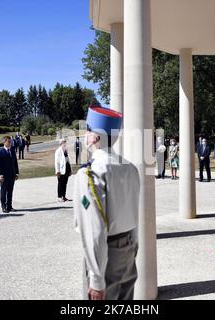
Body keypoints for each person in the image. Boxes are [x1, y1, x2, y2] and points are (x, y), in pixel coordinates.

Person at [74, 105, 140, 300]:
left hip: (107, 255)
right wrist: (133, 249)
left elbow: (94, 230)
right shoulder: (130, 168)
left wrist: (96, 279)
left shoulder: (89, 173)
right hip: (128, 249)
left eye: (87, 130)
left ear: (94, 137)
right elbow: (134, 214)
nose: (85, 135)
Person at [0, 136, 19, 213]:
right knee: (3, 191)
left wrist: (17, 173)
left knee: (10, 192)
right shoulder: (0, 152)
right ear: (4, 142)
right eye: (9, 142)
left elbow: (15, 163)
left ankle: (9, 206)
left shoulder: (12, 150)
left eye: (11, 142)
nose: (10, 143)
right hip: (4, 176)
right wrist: (0, 175)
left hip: (12, 175)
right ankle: (3, 207)